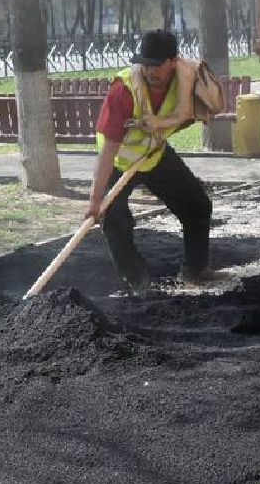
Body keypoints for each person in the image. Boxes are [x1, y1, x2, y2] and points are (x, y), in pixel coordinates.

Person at [87, 29, 215, 295]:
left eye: (157, 64)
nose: (150, 70)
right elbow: (108, 151)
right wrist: (95, 200)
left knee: (197, 205)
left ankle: (195, 270)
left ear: (173, 62)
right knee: (115, 221)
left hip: (154, 154)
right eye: (145, 63)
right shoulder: (123, 91)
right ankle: (138, 282)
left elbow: (190, 114)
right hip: (120, 161)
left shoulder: (186, 81)